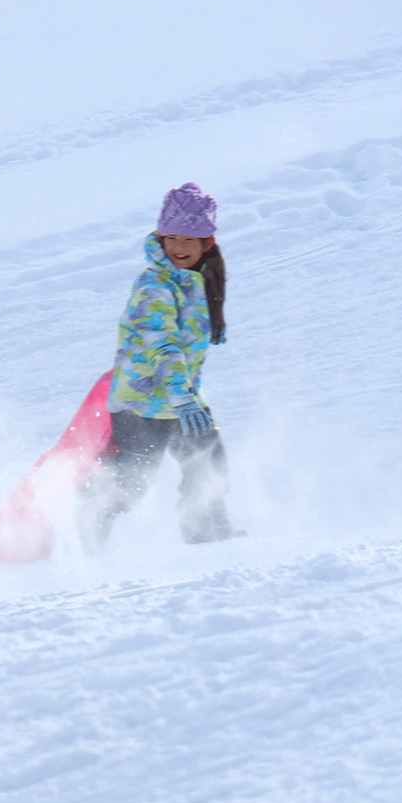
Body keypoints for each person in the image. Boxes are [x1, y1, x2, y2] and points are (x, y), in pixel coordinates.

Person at [86, 182, 241, 546]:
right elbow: (163, 347)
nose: (180, 247)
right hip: (143, 403)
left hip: (178, 399)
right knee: (130, 481)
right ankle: (83, 527)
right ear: (161, 237)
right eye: (172, 238)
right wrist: (182, 398)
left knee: (208, 462)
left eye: (190, 239)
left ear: (208, 243)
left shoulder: (195, 281)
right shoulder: (155, 284)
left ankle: (208, 536)